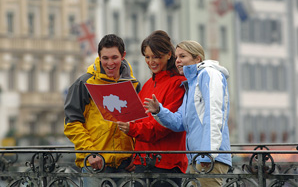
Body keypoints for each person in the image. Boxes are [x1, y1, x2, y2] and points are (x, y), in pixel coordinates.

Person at [144, 40, 232, 187]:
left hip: (208, 159)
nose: (177, 61)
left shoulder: (209, 74)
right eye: (177, 57)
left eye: (183, 56)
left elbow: (214, 114)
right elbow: (180, 121)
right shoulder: (191, 83)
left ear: (197, 58)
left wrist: (207, 155)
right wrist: (159, 110)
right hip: (197, 158)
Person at [64, 34, 141, 186]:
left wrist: (137, 153)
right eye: (105, 58)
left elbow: (139, 123)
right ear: (99, 57)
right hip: (95, 164)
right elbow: (72, 123)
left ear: (123, 56)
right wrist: (90, 153)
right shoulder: (84, 83)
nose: (110, 63)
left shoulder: (134, 84)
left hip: (126, 165)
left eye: (114, 57)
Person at [117, 30, 188, 187]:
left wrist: (131, 129)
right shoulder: (148, 84)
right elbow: (139, 120)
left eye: (156, 57)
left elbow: (164, 126)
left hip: (166, 164)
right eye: (147, 57)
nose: (151, 62)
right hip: (142, 161)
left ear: (169, 55)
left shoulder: (178, 84)